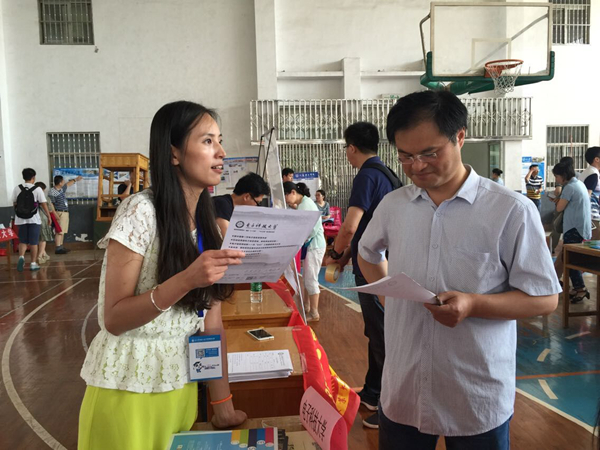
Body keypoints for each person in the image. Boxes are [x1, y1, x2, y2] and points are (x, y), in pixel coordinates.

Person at [357, 90, 560, 450]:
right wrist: (391, 300)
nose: (417, 166)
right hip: (404, 388)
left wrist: (472, 304)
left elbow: (544, 298)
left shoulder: (510, 210)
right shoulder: (394, 206)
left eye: (429, 153)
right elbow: (367, 254)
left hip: (475, 394)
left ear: (460, 137)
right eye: (405, 156)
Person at [78, 101, 247, 450]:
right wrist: (185, 280)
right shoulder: (140, 211)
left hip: (180, 386)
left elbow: (210, 324)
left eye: (220, 140)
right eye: (207, 141)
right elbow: (113, 317)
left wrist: (222, 404)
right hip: (126, 390)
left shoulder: (207, 224)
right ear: (173, 154)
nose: (221, 152)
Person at [323, 121, 401, 429]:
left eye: (346, 148)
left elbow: (351, 225)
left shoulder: (367, 176)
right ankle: (373, 392)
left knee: (384, 334)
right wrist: (345, 258)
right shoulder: (388, 174)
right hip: (383, 264)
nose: (346, 153)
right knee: (377, 332)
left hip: (376, 269)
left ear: (352, 148)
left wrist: (335, 252)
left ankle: (389, 403)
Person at [284, 181, 326, 322]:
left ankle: (314, 313)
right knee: (307, 278)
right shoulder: (304, 203)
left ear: (293, 193)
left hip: (315, 245)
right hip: (312, 245)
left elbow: (311, 229)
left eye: (286, 197)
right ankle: (307, 307)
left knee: (310, 279)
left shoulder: (305, 205)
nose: (286, 202)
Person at [552, 161, 591, 304]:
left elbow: (559, 208)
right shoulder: (579, 184)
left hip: (574, 228)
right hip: (581, 227)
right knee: (568, 258)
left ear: (563, 175)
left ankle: (580, 288)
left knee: (571, 260)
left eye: (556, 176)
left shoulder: (569, 188)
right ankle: (575, 287)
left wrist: (556, 200)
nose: (556, 179)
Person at [11, 168, 51, 272]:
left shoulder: (17, 188)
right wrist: (48, 216)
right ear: (33, 178)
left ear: (23, 177)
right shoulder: (37, 189)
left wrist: (19, 213)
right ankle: (33, 263)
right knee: (34, 242)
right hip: (34, 219)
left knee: (22, 241)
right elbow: (43, 203)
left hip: (20, 219)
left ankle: (21, 257)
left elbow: (15, 204)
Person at [49, 174, 83, 254]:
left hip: (64, 212)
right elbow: (51, 204)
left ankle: (61, 246)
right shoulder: (52, 191)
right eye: (63, 181)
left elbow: (68, 184)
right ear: (60, 182)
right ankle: (58, 248)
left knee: (62, 231)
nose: (64, 182)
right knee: (59, 231)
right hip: (59, 212)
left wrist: (76, 179)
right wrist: (55, 214)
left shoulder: (61, 189)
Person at [579, 146, 600, 240]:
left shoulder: (589, 172)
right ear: (596, 159)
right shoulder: (593, 174)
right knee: (594, 242)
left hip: (589, 214)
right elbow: (587, 195)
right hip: (591, 215)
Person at [34, 181, 55, 264]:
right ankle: (39, 256)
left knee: (38, 237)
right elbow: (50, 209)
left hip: (33, 218)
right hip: (43, 218)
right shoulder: (45, 197)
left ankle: (44, 253)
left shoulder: (32, 196)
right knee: (44, 238)